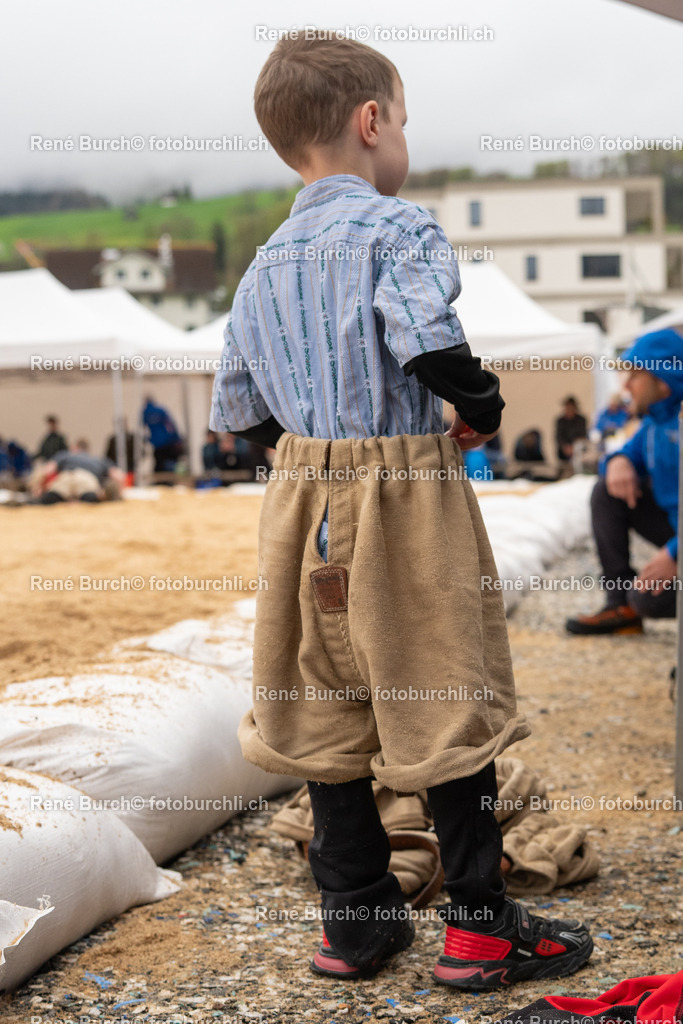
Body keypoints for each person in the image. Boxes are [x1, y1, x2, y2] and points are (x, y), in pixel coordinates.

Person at [210, 32, 592, 990]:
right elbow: (425, 340)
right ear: (370, 121)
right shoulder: (398, 227)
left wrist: (312, 458)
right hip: (402, 493)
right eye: (404, 122)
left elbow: (237, 411)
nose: (405, 140)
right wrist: (482, 407)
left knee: (321, 705)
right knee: (439, 694)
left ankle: (356, 924)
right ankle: (479, 927)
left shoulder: (260, 264)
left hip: (297, 499)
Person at [566, 328, 682, 635]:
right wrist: (617, 461)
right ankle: (621, 607)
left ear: (663, 380)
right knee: (606, 491)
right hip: (675, 528)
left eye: (635, 374)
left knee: (649, 598)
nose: (625, 383)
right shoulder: (656, 421)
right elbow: (623, 455)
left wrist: (675, 554)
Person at [31, 447, 124, 503]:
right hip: (87, 478)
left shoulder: (65, 455)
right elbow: (119, 476)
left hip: (66, 476)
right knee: (90, 498)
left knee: (51, 498)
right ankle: (88, 498)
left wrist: (38, 488)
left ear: (75, 448)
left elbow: (46, 471)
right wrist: (119, 494)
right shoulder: (99, 460)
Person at [142, 397, 184, 472]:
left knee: (159, 464)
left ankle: (160, 479)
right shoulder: (161, 410)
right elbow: (171, 425)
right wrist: (176, 438)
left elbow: (143, 428)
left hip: (156, 444)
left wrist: (148, 439)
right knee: (170, 463)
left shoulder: (145, 412)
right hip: (167, 441)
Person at [555, 397, 587, 464]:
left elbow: (582, 435)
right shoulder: (560, 421)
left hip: (578, 449)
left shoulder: (581, 420)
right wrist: (565, 447)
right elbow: (559, 436)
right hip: (563, 451)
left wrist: (574, 447)